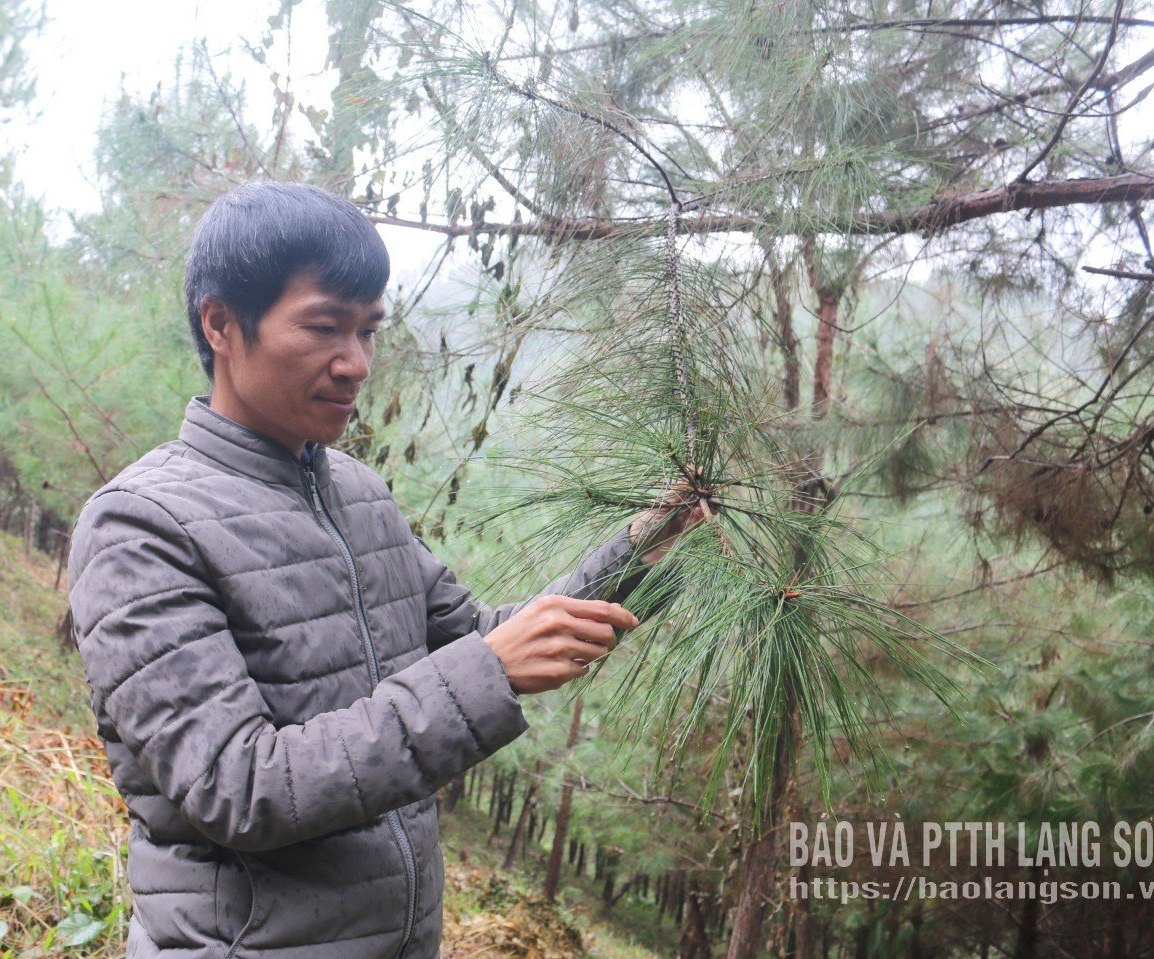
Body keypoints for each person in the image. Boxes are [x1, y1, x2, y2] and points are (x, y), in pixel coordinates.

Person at [66, 181, 699, 959]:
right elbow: (238, 785)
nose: (357, 363)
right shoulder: (139, 525)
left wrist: (639, 551)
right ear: (222, 323)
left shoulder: (359, 495)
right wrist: (487, 667)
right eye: (326, 327)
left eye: (369, 330)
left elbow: (476, 640)